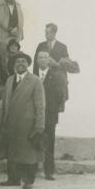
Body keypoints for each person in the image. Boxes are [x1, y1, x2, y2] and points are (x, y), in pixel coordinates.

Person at [0, 51, 45, 189]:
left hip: (28, 124)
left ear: (28, 64)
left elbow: (40, 104)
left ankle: (28, 180)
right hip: (11, 123)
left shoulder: (35, 81)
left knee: (29, 153)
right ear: (14, 65)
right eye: (17, 61)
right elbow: (5, 102)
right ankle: (13, 179)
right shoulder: (9, 80)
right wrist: (3, 120)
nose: (20, 64)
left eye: (23, 61)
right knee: (12, 152)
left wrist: (39, 126)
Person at [34, 50, 67, 181]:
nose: (42, 60)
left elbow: (60, 95)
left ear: (49, 61)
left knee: (49, 141)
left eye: (45, 58)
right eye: (40, 57)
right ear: (37, 60)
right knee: (35, 140)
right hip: (35, 114)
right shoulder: (33, 75)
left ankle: (49, 171)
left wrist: (53, 109)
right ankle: (33, 168)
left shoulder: (56, 75)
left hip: (50, 113)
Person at [33, 23, 79, 109]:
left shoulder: (62, 47)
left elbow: (67, 65)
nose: (45, 35)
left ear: (54, 33)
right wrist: (35, 79)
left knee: (55, 109)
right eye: (45, 32)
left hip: (57, 83)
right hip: (43, 80)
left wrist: (56, 64)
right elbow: (35, 64)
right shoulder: (41, 45)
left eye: (48, 33)